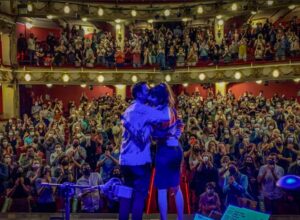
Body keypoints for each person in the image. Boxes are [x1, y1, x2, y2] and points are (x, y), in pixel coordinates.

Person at [119, 82, 170, 220]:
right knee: (139, 197)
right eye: (147, 91)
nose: (149, 93)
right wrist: (163, 100)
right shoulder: (145, 110)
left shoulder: (128, 110)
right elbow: (166, 117)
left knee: (125, 196)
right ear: (140, 94)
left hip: (124, 161)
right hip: (140, 161)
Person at [147, 83, 184, 220]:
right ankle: (180, 218)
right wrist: (175, 136)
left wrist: (152, 132)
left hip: (164, 151)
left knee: (162, 189)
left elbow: (158, 135)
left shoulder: (160, 112)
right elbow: (180, 125)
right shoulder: (172, 109)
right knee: (176, 187)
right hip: (176, 149)